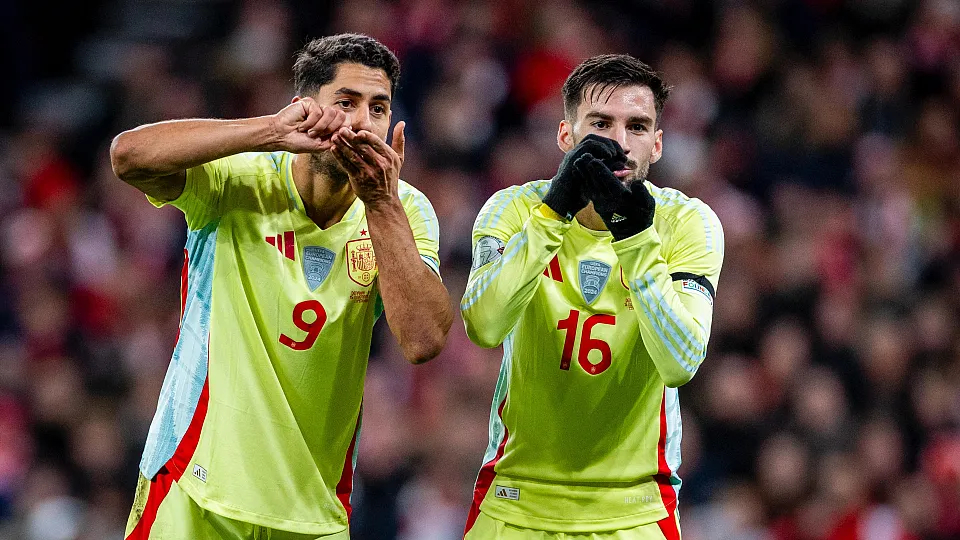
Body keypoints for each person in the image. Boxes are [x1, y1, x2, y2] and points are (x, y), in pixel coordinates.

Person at [110, 33, 453, 540]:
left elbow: (423, 340)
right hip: (194, 482)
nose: (361, 122)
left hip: (310, 508)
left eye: (378, 108)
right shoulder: (238, 176)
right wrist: (268, 132)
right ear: (304, 109)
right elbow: (127, 156)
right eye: (346, 103)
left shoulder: (403, 209)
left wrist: (381, 205)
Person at [461, 54, 724, 539]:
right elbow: (484, 324)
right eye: (600, 123)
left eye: (638, 127)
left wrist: (634, 237)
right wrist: (555, 211)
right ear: (566, 136)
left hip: (635, 510)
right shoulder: (516, 209)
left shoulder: (687, 223)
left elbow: (680, 362)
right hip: (516, 500)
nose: (619, 144)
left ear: (658, 144)